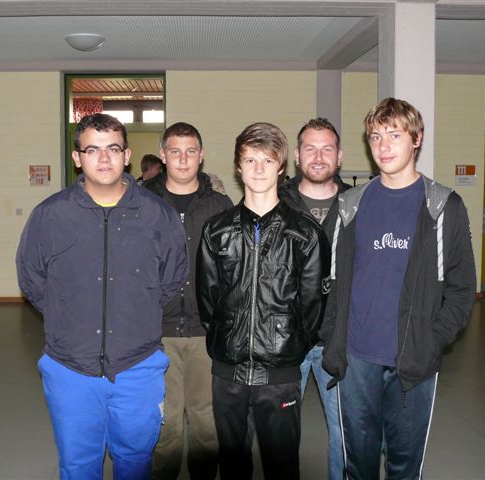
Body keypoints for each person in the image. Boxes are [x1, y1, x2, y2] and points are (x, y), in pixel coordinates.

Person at [16, 113, 188, 480]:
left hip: (137, 366)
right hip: (70, 368)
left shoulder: (157, 215)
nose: (104, 158)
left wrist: (135, 313)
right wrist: (67, 313)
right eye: (92, 150)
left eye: (113, 148)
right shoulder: (50, 215)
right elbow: (31, 278)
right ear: (77, 158)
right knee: (78, 466)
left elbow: (172, 278)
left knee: (136, 463)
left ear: (127, 155)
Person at [321, 98, 476, 479]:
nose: (383, 146)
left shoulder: (444, 207)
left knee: (404, 466)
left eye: (394, 135)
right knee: (358, 464)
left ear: (416, 139)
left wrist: (432, 339)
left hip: (414, 360)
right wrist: (332, 335)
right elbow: (326, 282)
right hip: (356, 358)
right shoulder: (348, 206)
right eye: (376, 136)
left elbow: (462, 288)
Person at [196, 122, 330, 480]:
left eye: (267, 161)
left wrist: (287, 343)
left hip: (280, 374)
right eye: (250, 160)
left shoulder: (305, 234)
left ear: (281, 167)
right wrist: (229, 336)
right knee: (232, 466)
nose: (258, 169)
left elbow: (313, 308)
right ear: (238, 167)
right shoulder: (216, 230)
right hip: (228, 372)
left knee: (282, 466)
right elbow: (208, 302)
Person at [146, 122, 233, 480]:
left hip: (206, 333)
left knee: (205, 421)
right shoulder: (142, 203)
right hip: (157, 332)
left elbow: (234, 268)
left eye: (191, 151)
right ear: (163, 155)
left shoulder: (220, 205)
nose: (183, 159)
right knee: (165, 423)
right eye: (175, 151)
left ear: (202, 156)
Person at [278, 117, 350, 480]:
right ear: (296, 155)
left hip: (339, 340)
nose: (318, 157)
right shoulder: (274, 201)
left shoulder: (358, 206)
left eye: (327, 149)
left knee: (345, 432)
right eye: (310, 148)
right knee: (280, 434)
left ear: (340, 156)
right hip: (284, 341)